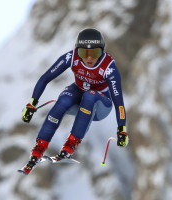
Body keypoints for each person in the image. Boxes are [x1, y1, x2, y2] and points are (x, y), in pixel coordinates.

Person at [20, 28, 128, 175]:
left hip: (101, 105)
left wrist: (122, 128)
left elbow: (118, 100)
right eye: (84, 53)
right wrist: (32, 104)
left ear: (102, 52)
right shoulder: (71, 57)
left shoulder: (108, 67)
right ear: (78, 51)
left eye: (94, 53)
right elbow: (46, 78)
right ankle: (39, 148)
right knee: (64, 98)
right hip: (80, 96)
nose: (89, 58)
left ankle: (70, 145)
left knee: (90, 95)